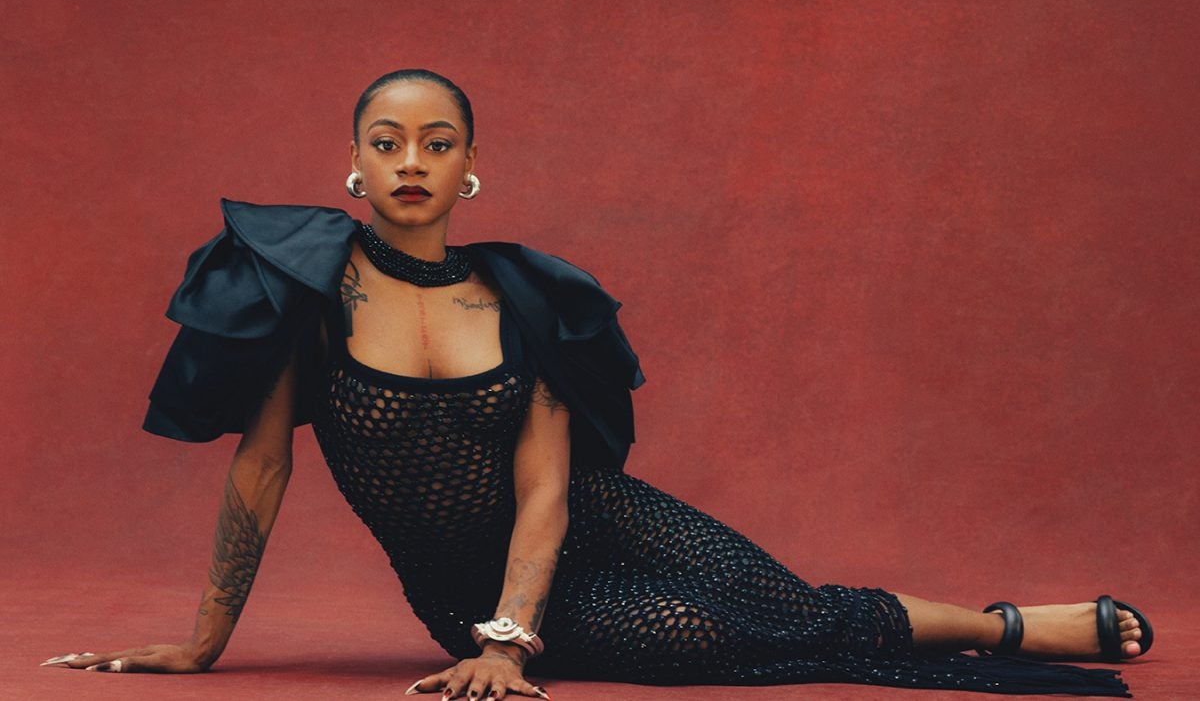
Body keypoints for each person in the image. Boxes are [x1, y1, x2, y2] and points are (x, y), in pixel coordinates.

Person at [42, 69, 1151, 698]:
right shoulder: (304, 298)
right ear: (356, 162)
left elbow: (546, 488)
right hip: (460, 588)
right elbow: (261, 470)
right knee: (703, 637)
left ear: (471, 167)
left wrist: (510, 643)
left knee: (781, 605)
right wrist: (205, 642)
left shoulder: (527, 299)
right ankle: (998, 635)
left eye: (437, 142)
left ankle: (1008, 627)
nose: (412, 162)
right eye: (388, 142)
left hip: (596, 520)